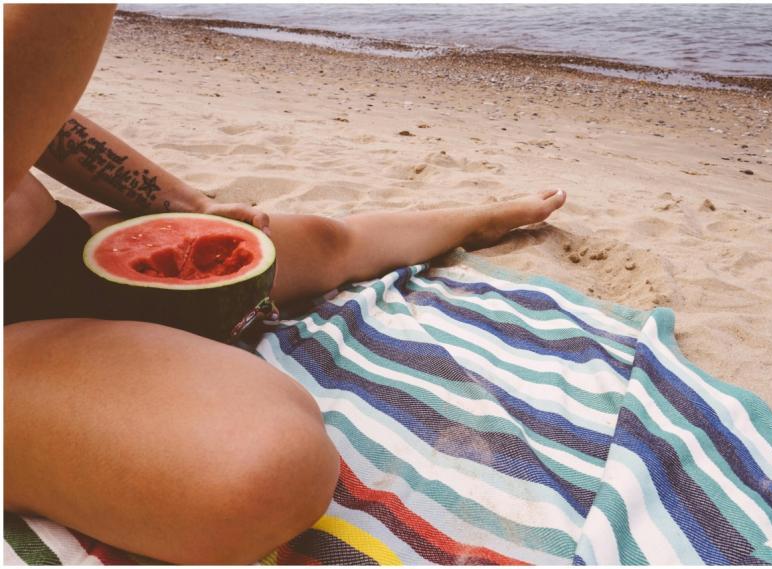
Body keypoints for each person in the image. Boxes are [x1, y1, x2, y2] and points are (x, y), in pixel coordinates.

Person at [3, 4, 566, 564]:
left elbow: (42, 119)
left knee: (326, 241)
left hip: (45, 241)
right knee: (268, 474)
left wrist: (187, 205)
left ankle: (476, 218)